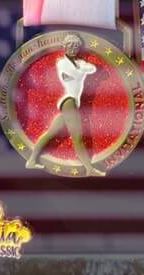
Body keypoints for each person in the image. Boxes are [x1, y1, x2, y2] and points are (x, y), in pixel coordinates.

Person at [26, 33, 105, 177]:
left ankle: (31, 160)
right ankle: (89, 168)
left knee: (50, 133)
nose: (73, 48)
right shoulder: (62, 62)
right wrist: (81, 70)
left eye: (76, 46)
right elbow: (67, 75)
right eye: (70, 45)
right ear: (65, 47)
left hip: (72, 102)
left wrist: (80, 69)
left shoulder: (79, 64)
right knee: (78, 137)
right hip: (69, 102)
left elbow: (92, 68)